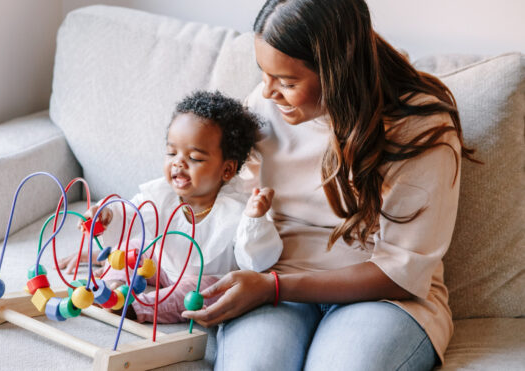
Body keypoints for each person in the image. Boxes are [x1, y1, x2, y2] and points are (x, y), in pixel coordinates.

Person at [182, 1, 478, 370]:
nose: (268, 92)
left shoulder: (420, 128)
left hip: (384, 300)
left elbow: (400, 275)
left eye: (288, 82)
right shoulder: (265, 108)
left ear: (339, 73)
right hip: (278, 278)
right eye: (264, 73)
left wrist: (275, 287)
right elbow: (216, 188)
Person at [60, 90, 282, 323]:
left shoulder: (235, 210)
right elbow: (130, 215)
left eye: (194, 157)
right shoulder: (162, 195)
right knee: (132, 248)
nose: (178, 162)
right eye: (171, 152)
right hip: (160, 264)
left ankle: (137, 307)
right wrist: (105, 214)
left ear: (226, 170)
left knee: (200, 291)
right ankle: (113, 286)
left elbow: (256, 261)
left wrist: (254, 219)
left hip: (201, 277)